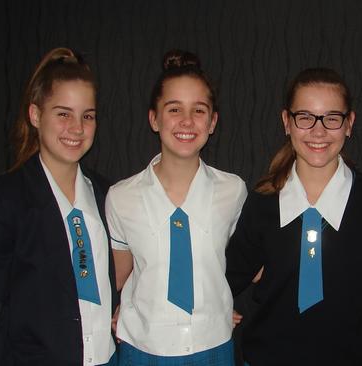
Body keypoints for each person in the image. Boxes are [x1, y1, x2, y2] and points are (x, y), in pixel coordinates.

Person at [226, 68, 362, 365]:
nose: (319, 131)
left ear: (349, 123)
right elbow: (228, 274)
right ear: (286, 122)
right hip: (269, 357)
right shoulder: (263, 202)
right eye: (305, 117)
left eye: (332, 118)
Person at [0, 47, 118, 366]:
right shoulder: (2, 200)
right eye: (63, 113)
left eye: (87, 116)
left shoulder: (109, 194)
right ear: (36, 115)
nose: (77, 128)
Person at [106, 49, 247, 366]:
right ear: (154, 119)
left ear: (212, 122)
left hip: (213, 348)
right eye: (174, 109)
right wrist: (117, 309)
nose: (187, 121)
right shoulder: (120, 197)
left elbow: (235, 260)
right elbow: (122, 275)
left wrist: (220, 301)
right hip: (142, 349)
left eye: (199, 110)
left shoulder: (233, 190)